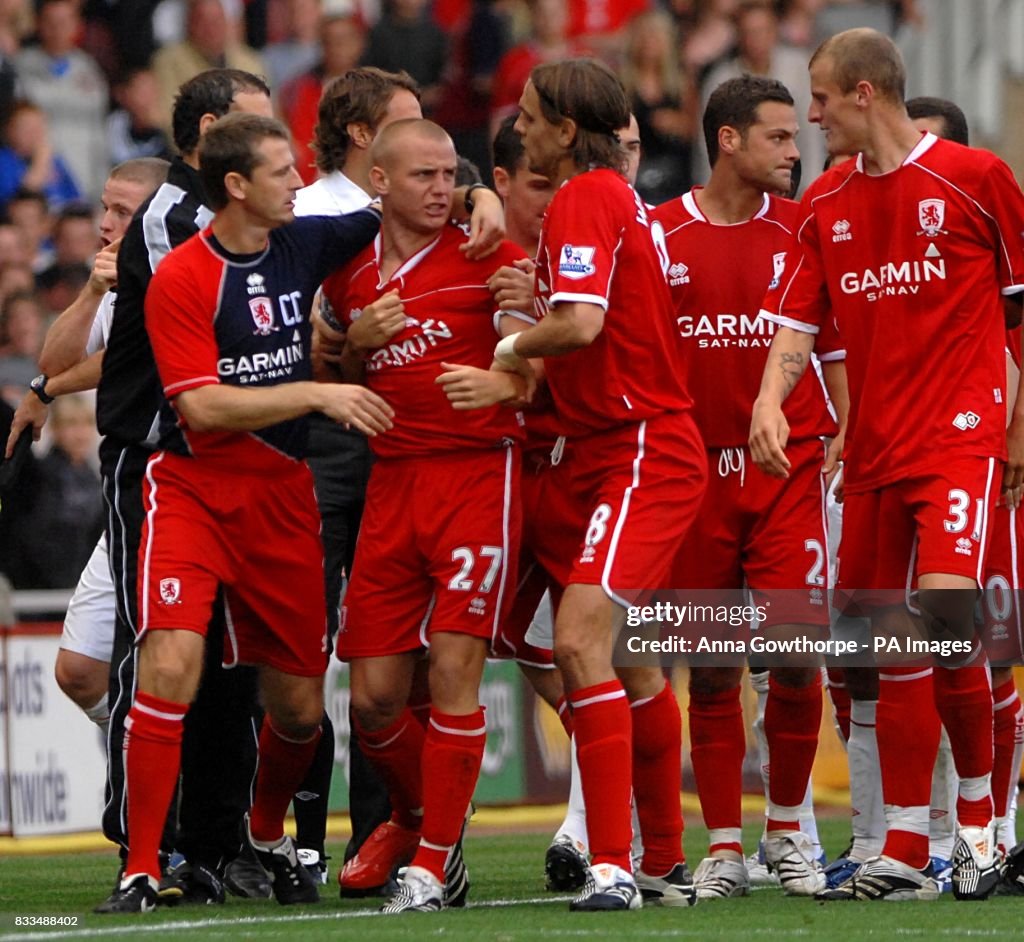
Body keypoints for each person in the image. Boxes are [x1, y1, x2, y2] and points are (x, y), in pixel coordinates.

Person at [92, 111, 393, 914]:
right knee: (169, 664)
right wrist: (318, 391)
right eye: (280, 172)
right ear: (236, 187)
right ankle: (145, 865)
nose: (299, 183)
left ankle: (264, 833)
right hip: (191, 488)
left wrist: (477, 200)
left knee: (297, 708)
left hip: (282, 498)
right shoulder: (183, 277)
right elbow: (203, 409)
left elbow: (402, 208)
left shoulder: (303, 243)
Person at [750, 28, 1024, 902]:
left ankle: (978, 826)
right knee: (887, 648)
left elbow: (1021, 310)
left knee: (945, 617)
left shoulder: (977, 180)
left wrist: (1018, 430)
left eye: (823, 97)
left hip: (960, 436)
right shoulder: (825, 202)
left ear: (866, 92)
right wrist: (768, 397)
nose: (814, 114)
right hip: (872, 450)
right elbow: (798, 320)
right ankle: (907, 841)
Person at [495, 58, 707, 911]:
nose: (519, 125)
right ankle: (660, 860)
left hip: (638, 445)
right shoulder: (619, 196)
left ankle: (613, 865)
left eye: (530, 114)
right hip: (619, 445)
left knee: (580, 641)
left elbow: (579, 324)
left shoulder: (584, 197)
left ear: (565, 131)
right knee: (632, 659)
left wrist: (509, 349)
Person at [294, 65, 507, 890]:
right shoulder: (341, 258)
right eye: (425, 174)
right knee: (376, 694)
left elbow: (552, 337)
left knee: (465, 671)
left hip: (476, 477)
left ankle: (439, 856)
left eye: (452, 175)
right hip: (381, 480)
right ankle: (417, 821)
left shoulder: (489, 248)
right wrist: (353, 343)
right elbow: (325, 353)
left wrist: (507, 372)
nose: (443, 188)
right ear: (374, 176)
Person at [652, 73, 843, 899]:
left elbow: (837, 343)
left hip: (787, 467)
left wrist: (850, 426)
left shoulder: (806, 231)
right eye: (778, 137)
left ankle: (789, 830)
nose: (795, 152)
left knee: (797, 659)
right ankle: (723, 845)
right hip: (694, 475)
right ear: (727, 139)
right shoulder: (660, 237)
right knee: (717, 667)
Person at [95, 68, 277, 906]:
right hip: (159, 457)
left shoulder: (260, 214)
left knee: (236, 664)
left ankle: (220, 840)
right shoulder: (173, 216)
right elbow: (215, 325)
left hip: (241, 460)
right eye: (256, 127)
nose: (277, 147)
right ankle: (148, 843)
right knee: (161, 647)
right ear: (209, 134)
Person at [4, 157, 169, 730]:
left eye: (121, 211)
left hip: (188, 485)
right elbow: (54, 361)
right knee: (78, 669)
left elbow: (128, 356)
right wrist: (96, 285)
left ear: (158, 214)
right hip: (131, 490)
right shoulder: (114, 283)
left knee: (194, 669)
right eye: (104, 206)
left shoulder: (184, 273)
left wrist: (43, 392)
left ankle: (205, 792)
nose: (104, 222)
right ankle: (154, 763)